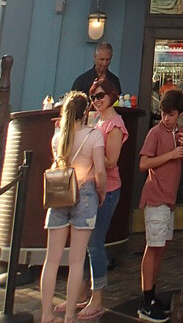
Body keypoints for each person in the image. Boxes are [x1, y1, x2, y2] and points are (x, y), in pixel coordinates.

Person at [40, 92, 106, 323]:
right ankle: (69, 315)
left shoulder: (58, 137)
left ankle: (47, 314)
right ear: (86, 112)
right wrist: (102, 191)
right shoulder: (94, 135)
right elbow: (100, 171)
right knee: (77, 260)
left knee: (51, 259)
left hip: (61, 192)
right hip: (85, 191)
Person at [70, 78, 128, 320]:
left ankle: (97, 298)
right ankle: (82, 293)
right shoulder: (97, 121)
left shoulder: (114, 124)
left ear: (112, 95)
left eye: (100, 95)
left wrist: (91, 145)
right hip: (90, 187)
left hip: (108, 189)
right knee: (86, 244)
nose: (96, 100)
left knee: (95, 244)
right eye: (93, 97)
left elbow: (111, 161)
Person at [137, 88, 183, 322]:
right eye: (164, 114)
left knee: (161, 247)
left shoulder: (180, 133)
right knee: (153, 246)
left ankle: (152, 295)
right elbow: (143, 164)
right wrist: (170, 155)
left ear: (179, 114)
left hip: (169, 200)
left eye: (171, 114)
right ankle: (145, 300)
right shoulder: (155, 133)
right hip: (156, 197)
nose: (167, 118)